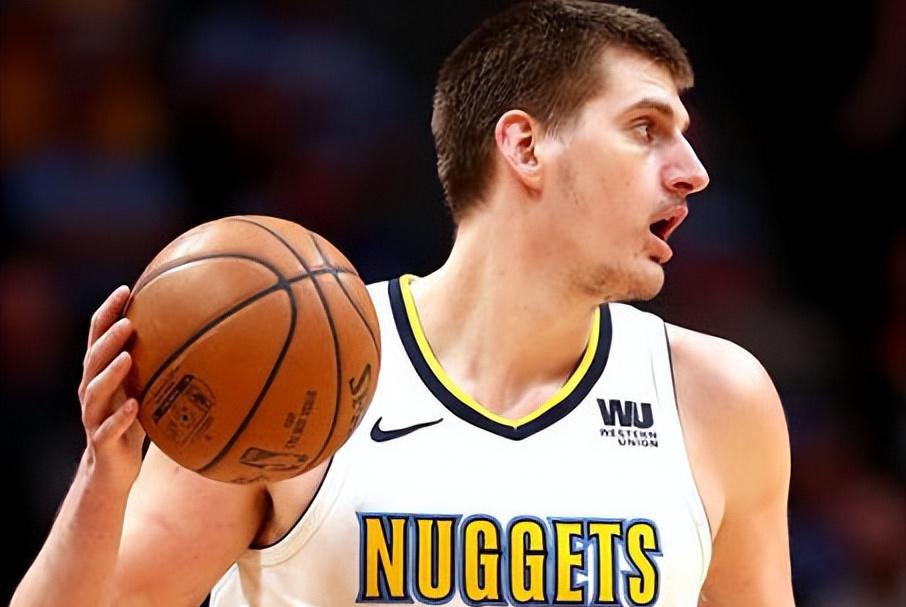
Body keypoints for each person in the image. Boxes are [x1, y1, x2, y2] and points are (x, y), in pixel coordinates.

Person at [12, 1, 794, 605]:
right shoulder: (291, 371)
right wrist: (103, 481)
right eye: (646, 127)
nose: (692, 171)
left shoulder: (721, 401)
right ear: (525, 146)